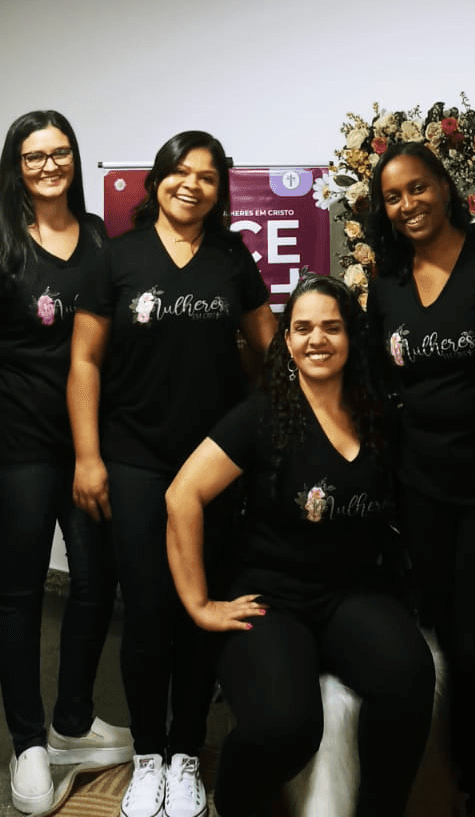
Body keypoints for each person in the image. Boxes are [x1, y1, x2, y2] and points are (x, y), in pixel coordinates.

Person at [166, 273, 437, 817]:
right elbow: (182, 495)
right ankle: (233, 802)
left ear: (351, 337)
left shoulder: (376, 414)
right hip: (271, 598)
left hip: (351, 593)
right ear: (286, 340)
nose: (317, 339)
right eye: (303, 327)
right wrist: (198, 603)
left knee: (409, 677)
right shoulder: (261, 414)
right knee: (286, 727)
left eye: (332, 328)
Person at [69, 130, 277, 817]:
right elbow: (85, 361)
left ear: (220, 191)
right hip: (134, 457)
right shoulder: (117, 257)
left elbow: (269, 350)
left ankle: (187, 752)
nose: (192, 185)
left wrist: (260, 420)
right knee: (148, 610)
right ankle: (149, 756)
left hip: (214, 464)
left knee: (201, 609)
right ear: (157, 179)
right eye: (180, 172)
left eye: (207, 177)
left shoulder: (231, 256)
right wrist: (89, 456)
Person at [0, 110, 130, 815]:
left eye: (60, 152)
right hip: (18, 445)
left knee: (95, 582)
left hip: (90, 444)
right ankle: (28, 740)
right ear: (17, 165)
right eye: (34, 155)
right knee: (19, 588)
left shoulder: (98, 238)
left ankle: (72, 720)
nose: (49, 166)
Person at [364, 140, 475, 814]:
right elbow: (378, 383)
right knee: (449, 643)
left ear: (446, 187)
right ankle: (461, 780)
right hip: (421, 488)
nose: (408, 204)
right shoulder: (389, 283)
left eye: (419, 188)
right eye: (393, 197)